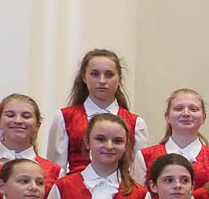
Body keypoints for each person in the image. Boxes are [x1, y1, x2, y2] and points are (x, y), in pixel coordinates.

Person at [47, 49, 149, 178]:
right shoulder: (65, 118)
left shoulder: (136, 123)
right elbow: (56, 170)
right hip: (76, 187)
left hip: (120, 188)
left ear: (120, 79)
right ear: (84, 77)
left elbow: (138, 174)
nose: (102, 81)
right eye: (95, 74)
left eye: (109, 75)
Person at [140, 88, 209, 193]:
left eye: (193, 109)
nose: (186, 113)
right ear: (167, 116)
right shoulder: (145, 156)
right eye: (179, 108)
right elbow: (139, 198)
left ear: (204, 117)